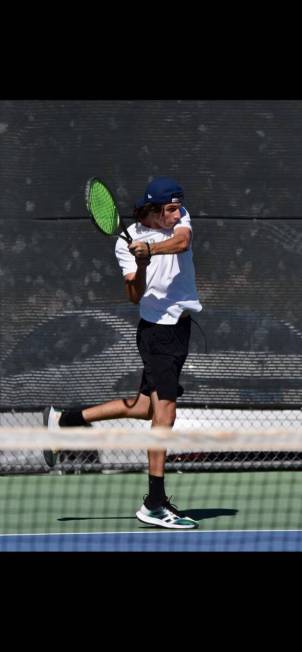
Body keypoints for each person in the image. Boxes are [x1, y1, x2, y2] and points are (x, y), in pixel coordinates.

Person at [44, 176, 202, 529]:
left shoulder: (180, 222)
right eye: (171, 209)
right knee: (165, 414)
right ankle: (155, 503)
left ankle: (64, 420)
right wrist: (141, 265)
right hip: (157, 333)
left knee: (145, 407)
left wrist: (150, 250)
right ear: (153, 210)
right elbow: (135, 296)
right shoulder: (123, 244)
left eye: (178, 208)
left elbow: (182, 241)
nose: (178, 214)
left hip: (180, 328)